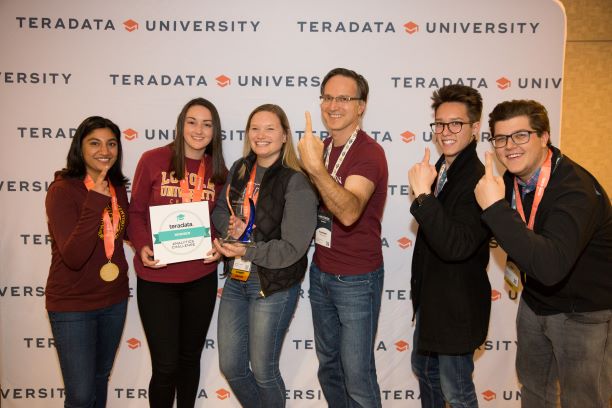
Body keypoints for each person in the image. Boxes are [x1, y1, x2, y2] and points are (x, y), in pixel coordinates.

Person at [474, 99, 612, 407]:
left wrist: (495, 209)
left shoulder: (575, 190)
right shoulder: (510, 180)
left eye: (521, 135)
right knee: (534, 392)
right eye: (501, 138)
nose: (509, 146)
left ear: (544, 137)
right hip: (536, 303)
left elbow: (551, 266)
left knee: (583, 401)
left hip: (583, 313)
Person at [211, 103, 317, 408]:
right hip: (236, 278)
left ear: (284, 136)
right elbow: (220, 212)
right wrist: (232, 227)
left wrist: (247, 246)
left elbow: (293, 249)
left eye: (270, 128)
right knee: (231, 366)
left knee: (264, 372)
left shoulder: (296, 181)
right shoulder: (241, 168)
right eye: (255, 128)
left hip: (272, 284)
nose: (261, 135)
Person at [127, 97, 227, 408]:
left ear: (215, 131)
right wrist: (143, 246)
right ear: (181, 124)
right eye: (192, 121)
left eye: (207, 124)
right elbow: (135, 213)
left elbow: (221, 220)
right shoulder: (153, 159)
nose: (199, 130)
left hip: (200, 277)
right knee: (166, 365)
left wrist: (220, 245)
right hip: (158, 278)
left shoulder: (219, 170)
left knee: (189, 361)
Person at [298, 67, 388, 407]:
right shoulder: (319, 147)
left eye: (344, 98)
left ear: (361, 106)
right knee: (330, 370)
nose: (333, 105)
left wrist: (316, 168)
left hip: (356, 280)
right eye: (328, 97)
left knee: (357, 376)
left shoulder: (368, 153)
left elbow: (349, 211)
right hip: (321, 272)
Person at [408, 84, 491, 407]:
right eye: (440, 124)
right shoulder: (442, 167)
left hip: (457, 306)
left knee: (456, 391)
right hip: (433, 301)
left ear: (474, 128)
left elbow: (455, 246)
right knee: (425, 372)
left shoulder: (477, 177)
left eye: (455, 123)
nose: (445, 131)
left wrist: (423, 196)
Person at [45, 116, 130, 407]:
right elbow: (73, 256)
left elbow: (126, 230)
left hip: (114, 299)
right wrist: (95, 199)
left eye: (111, 143)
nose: (104, 150)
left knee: (99, 378)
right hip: (73, 305)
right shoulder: (62, 191)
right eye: (94, 143)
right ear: (80, 148)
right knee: (80, 395)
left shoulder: (117, 187)